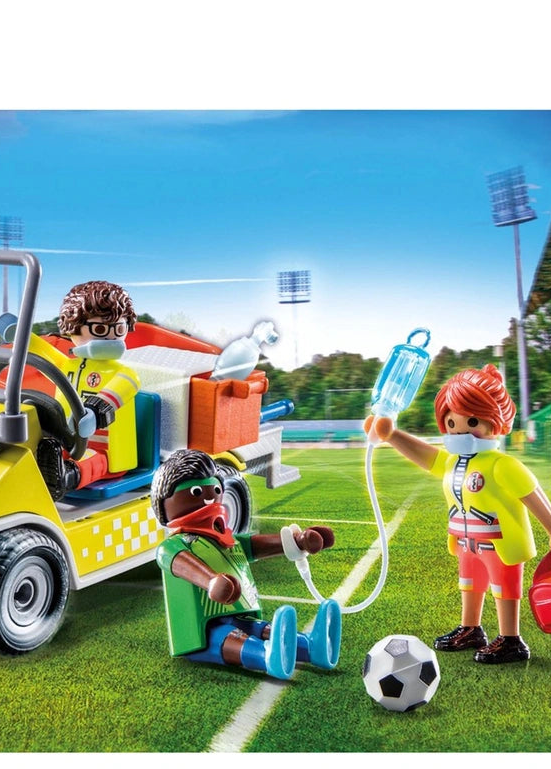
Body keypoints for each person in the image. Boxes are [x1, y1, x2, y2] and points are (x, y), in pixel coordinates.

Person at [364, 364, 551, 664]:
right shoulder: (452, 462)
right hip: (466, 540)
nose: (459, 429)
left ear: (495, 421)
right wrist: (391, 435)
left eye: (472, 421)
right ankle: (471, 628)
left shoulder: (501, 465)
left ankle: (511, 639)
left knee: (504, 588)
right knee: (470, 583)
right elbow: (426, 455)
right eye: (451, 422)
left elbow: (532, 494)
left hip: (499, 541)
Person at [151, 449, 341, 679]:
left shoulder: (226, 539)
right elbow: (184, 565)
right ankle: (266, 656)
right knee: (230, 637)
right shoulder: (173, 546)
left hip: (240, 614)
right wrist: (211, 581)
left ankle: (313, 647)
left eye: (216, 490)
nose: (210, 498)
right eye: (197, 492)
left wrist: (298, 541)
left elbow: (257, 545)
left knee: (263, 629)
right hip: (202, 630)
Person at [37, 280, 140, 497]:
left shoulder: (125, 373)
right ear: (72, 328)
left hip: (107, 450)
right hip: (67, 438)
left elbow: (118, 391)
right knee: (43, 446)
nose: (111, 337)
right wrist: (17, 335)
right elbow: (41, 354)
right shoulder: (68, 366)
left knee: (92, 459)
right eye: (100, 329)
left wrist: (95, 411)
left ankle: (67, 476)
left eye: (119, 329)